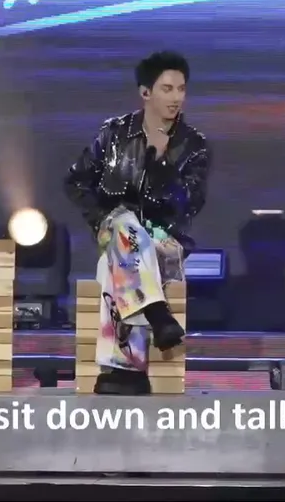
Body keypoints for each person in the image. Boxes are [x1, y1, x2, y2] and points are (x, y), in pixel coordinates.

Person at [64, 51, 211, 395]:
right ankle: (158, 315)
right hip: (115, 231)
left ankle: (122, 370)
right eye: (167, 89)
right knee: (123, 225)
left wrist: (162, 168)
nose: (176, 97)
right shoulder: (114, 134)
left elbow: (191, 203)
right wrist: (101, 218)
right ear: (146, 92)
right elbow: (76, 182)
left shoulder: (193, 146)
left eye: (181, 89)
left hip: (164, 242)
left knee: (111, 264)